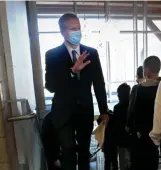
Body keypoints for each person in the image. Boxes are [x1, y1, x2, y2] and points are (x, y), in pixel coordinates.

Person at [45, 13, 109, 170]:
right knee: (68, 150)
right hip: (63, 112)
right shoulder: (53, 55)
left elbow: (99, 83)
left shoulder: (91, 53)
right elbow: (50, 86)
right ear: (63, 31)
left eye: (78, 28)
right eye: (73, 29)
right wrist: (72, 71)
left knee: (84, 151)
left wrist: (104, 111)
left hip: (85, 110)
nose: (77, 32)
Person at [129, 56, 161, 170]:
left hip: (140, 135)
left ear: (146, 70)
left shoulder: (137, 89)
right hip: (157, 133)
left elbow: (131, 112)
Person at [113, 83, 131, 170]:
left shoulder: (116, 108)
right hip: (131, 141)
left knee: (123, 164)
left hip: (120, 142)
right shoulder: (132, 107)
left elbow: (115, 126)